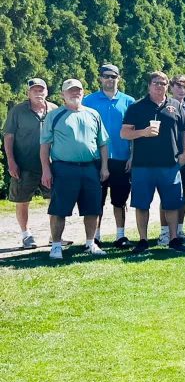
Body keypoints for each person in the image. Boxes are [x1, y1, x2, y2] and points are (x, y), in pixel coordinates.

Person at [120, 71, 185, 253]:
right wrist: (143, 132)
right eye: (156, 83)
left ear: (168, 86)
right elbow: (124, 133)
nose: (159, 86)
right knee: (142, 204)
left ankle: (174, 239)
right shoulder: (137, 107)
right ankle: (143, 240)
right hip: (143, 165)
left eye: (163, 83)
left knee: (172, 204)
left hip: (170, 164)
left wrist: (184, 153)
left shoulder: (175, 105)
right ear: (149, 86)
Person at [40, 79, 109, 259]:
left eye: (78, 90)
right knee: (59, 209)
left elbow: (103, 144)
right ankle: (56, 246)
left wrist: (104, 167)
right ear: (63, 94)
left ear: (83, 92)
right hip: (63, 168)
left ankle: (90, 243)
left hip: (90, 168)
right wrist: (46, 170)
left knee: (93, 208)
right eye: (70, 91)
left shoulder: (93, 114)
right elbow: (44, 146)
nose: (75, 93)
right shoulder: (54, 116)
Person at [83, 64, 135, 247]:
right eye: (106, 76)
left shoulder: (129, 101)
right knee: (97, 199)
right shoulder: (88, 101)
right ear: (100, 78)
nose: (110, 79)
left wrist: (132, 156)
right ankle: (95, 236)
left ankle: (120, 236)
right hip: (97, 159)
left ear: (118, 78)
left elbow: (133, 132)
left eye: (113, 76)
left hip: (122, 158)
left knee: (120, 200)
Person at [4, 78, 57, 250]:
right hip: (24, 164)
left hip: (50, 165)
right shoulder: (17, 111)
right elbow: (9, 137)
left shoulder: (55, 110)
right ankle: (26, 235)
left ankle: (54, 235)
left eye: (41, 90)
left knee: (54, 200)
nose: (38, 93)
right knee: (22, 200)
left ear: (46, 92)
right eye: (34, 90)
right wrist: (11, 161)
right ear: (28, 93)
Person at [160, 74, 185, 246]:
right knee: (166, 196)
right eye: (178, 86)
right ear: (171, 87)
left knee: (183, 194)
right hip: (168, 158)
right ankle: (164, 232)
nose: (182, 90)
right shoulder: (164, 106)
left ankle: (179, 230)